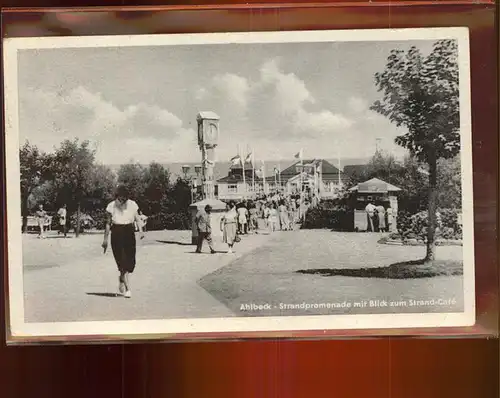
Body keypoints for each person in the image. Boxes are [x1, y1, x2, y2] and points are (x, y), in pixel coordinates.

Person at [102, 185, 144, 298]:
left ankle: (121, 279)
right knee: (122, 261)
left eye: (124, 198)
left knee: (130, 263)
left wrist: (140, 231)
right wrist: (105, 239)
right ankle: (128, 289)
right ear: (117, 197)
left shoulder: (132, 204)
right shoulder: (111, 206)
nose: (122, 200)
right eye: (120, 198)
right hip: (117, 232)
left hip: (129, 232)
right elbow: (107, 224)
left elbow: (137, 218)